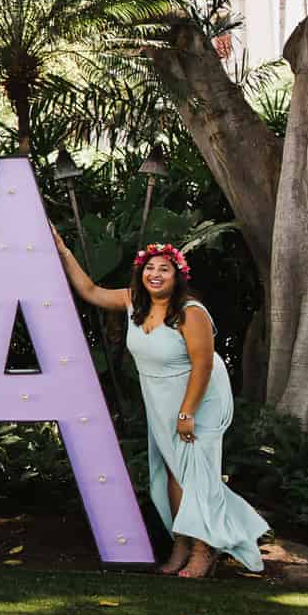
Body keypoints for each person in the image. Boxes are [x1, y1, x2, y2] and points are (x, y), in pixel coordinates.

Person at [54, 233, 268, 577]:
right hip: (161, 398)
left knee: (197, 473)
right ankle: (181, 543)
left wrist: (187, 412)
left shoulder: (190, 313)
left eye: (164, 269)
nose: (155, 274)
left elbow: (203, 365)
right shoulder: (133, 302)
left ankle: (203, 550)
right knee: (172, 471)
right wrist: (63, 250)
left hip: (198, 398)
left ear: (177, 276)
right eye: (149, 268)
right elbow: (91, 291)